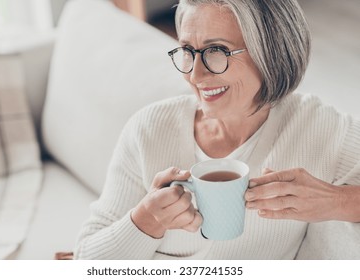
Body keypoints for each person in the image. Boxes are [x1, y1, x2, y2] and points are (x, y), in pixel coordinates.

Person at [74, 0, 360, 259]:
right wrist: (146, 220)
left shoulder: (320, 128)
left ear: (271, 52)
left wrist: (335, 201)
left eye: (216, 51)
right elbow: (84, 261)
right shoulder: (149, 129)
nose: (195, 75)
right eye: (187, 51)